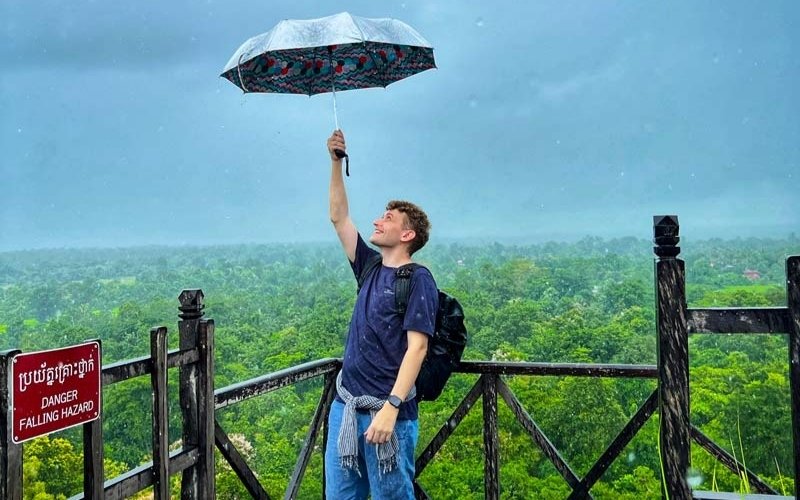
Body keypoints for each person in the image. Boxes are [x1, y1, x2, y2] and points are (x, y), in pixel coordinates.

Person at [324, 129, 438, 499]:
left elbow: (417, 349)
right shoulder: (369, 267)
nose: (377, 221)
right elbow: (339, 219)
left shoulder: (418, 279)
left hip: (388, 414)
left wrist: (391, 407)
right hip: (347, 406)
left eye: (387, 218)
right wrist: (336, 163)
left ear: (407, 235)